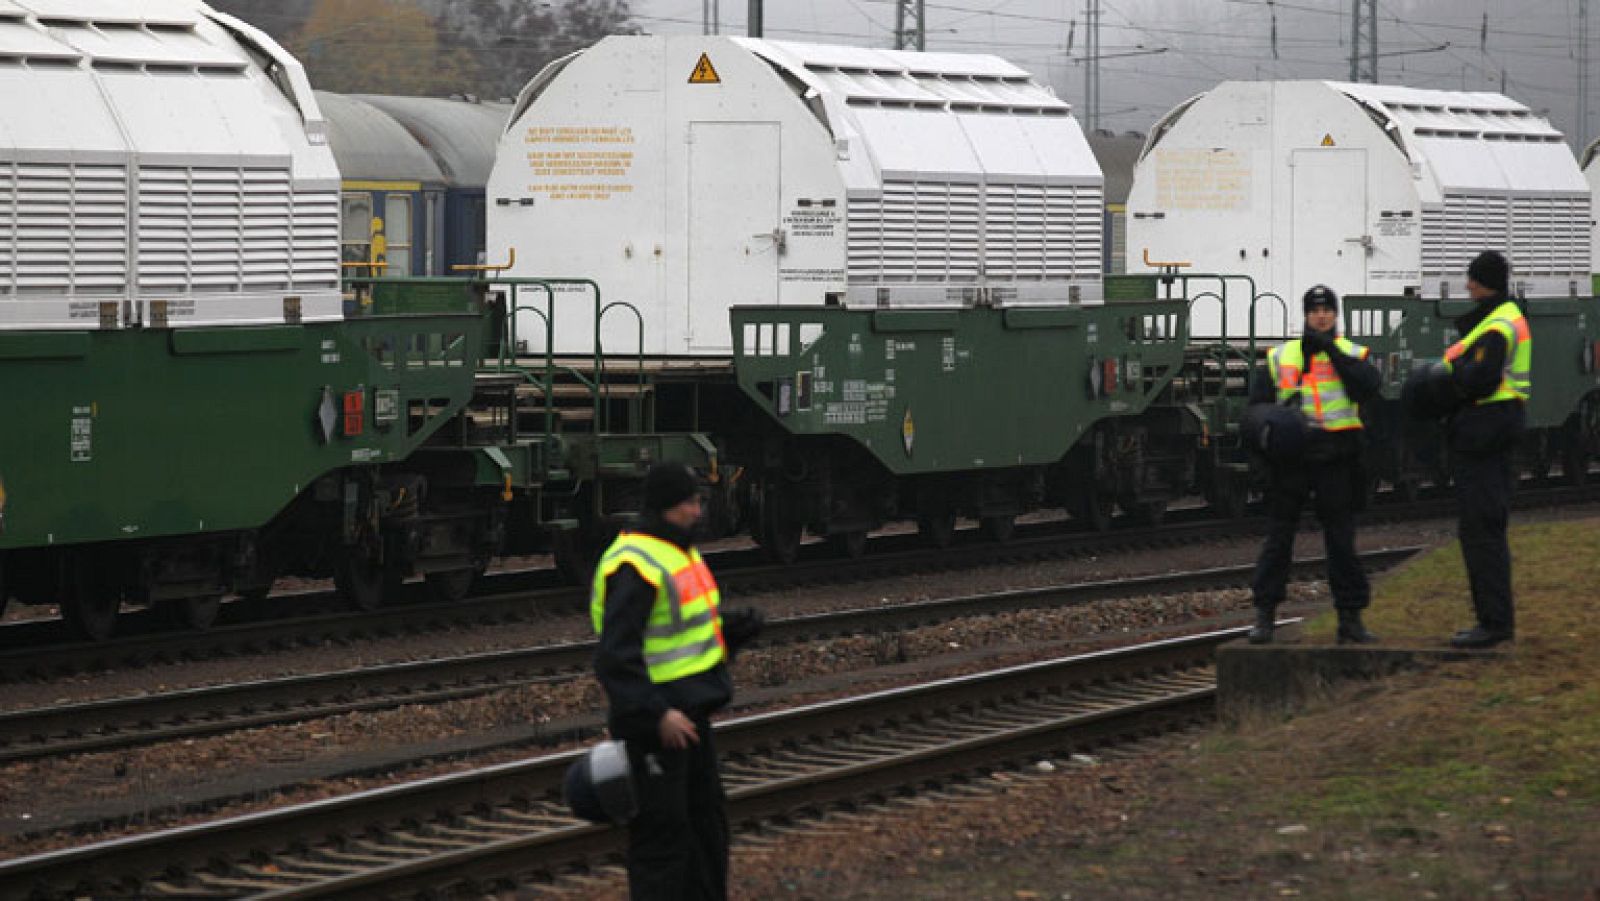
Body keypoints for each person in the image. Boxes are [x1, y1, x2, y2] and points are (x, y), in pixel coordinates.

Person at [591, 463, 764, 899]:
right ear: (668, 507)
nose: (697, 510)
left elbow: (682, 645)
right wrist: (658, 715)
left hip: (690, 719)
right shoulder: (637, 565)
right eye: (690, 501)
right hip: (658, 727)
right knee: (663, 843)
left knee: (706, 831)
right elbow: (617, 658)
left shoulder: (677, 551)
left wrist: (730, 635)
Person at [1247, 285, 1383, 645]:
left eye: (1327, 310)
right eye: (1315, 310)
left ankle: (1350, 619)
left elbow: (1368, 388)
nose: (1321, 315)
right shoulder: (1281, 356)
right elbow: (1256, 408)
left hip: (1336, 458)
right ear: (1305, 315)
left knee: (1341, 543)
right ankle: (1264, 616)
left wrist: (1332, 352)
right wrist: (1262, 454)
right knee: (1278, 540)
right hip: (1291, 461)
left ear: (1336, 315)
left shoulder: (1353, 353)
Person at [1442, 251, 1530, 649]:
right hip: (1493, 429)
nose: (1467, 286)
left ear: (1485, 282)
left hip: (1487, 431)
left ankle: (1493, 624)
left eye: (1472, 279)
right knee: (1483, 529)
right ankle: (1493, 620)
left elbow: (1480, 378)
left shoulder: (1497, 326)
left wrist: (1454, 377)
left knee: (1481, 531)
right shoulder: (1504, 318)